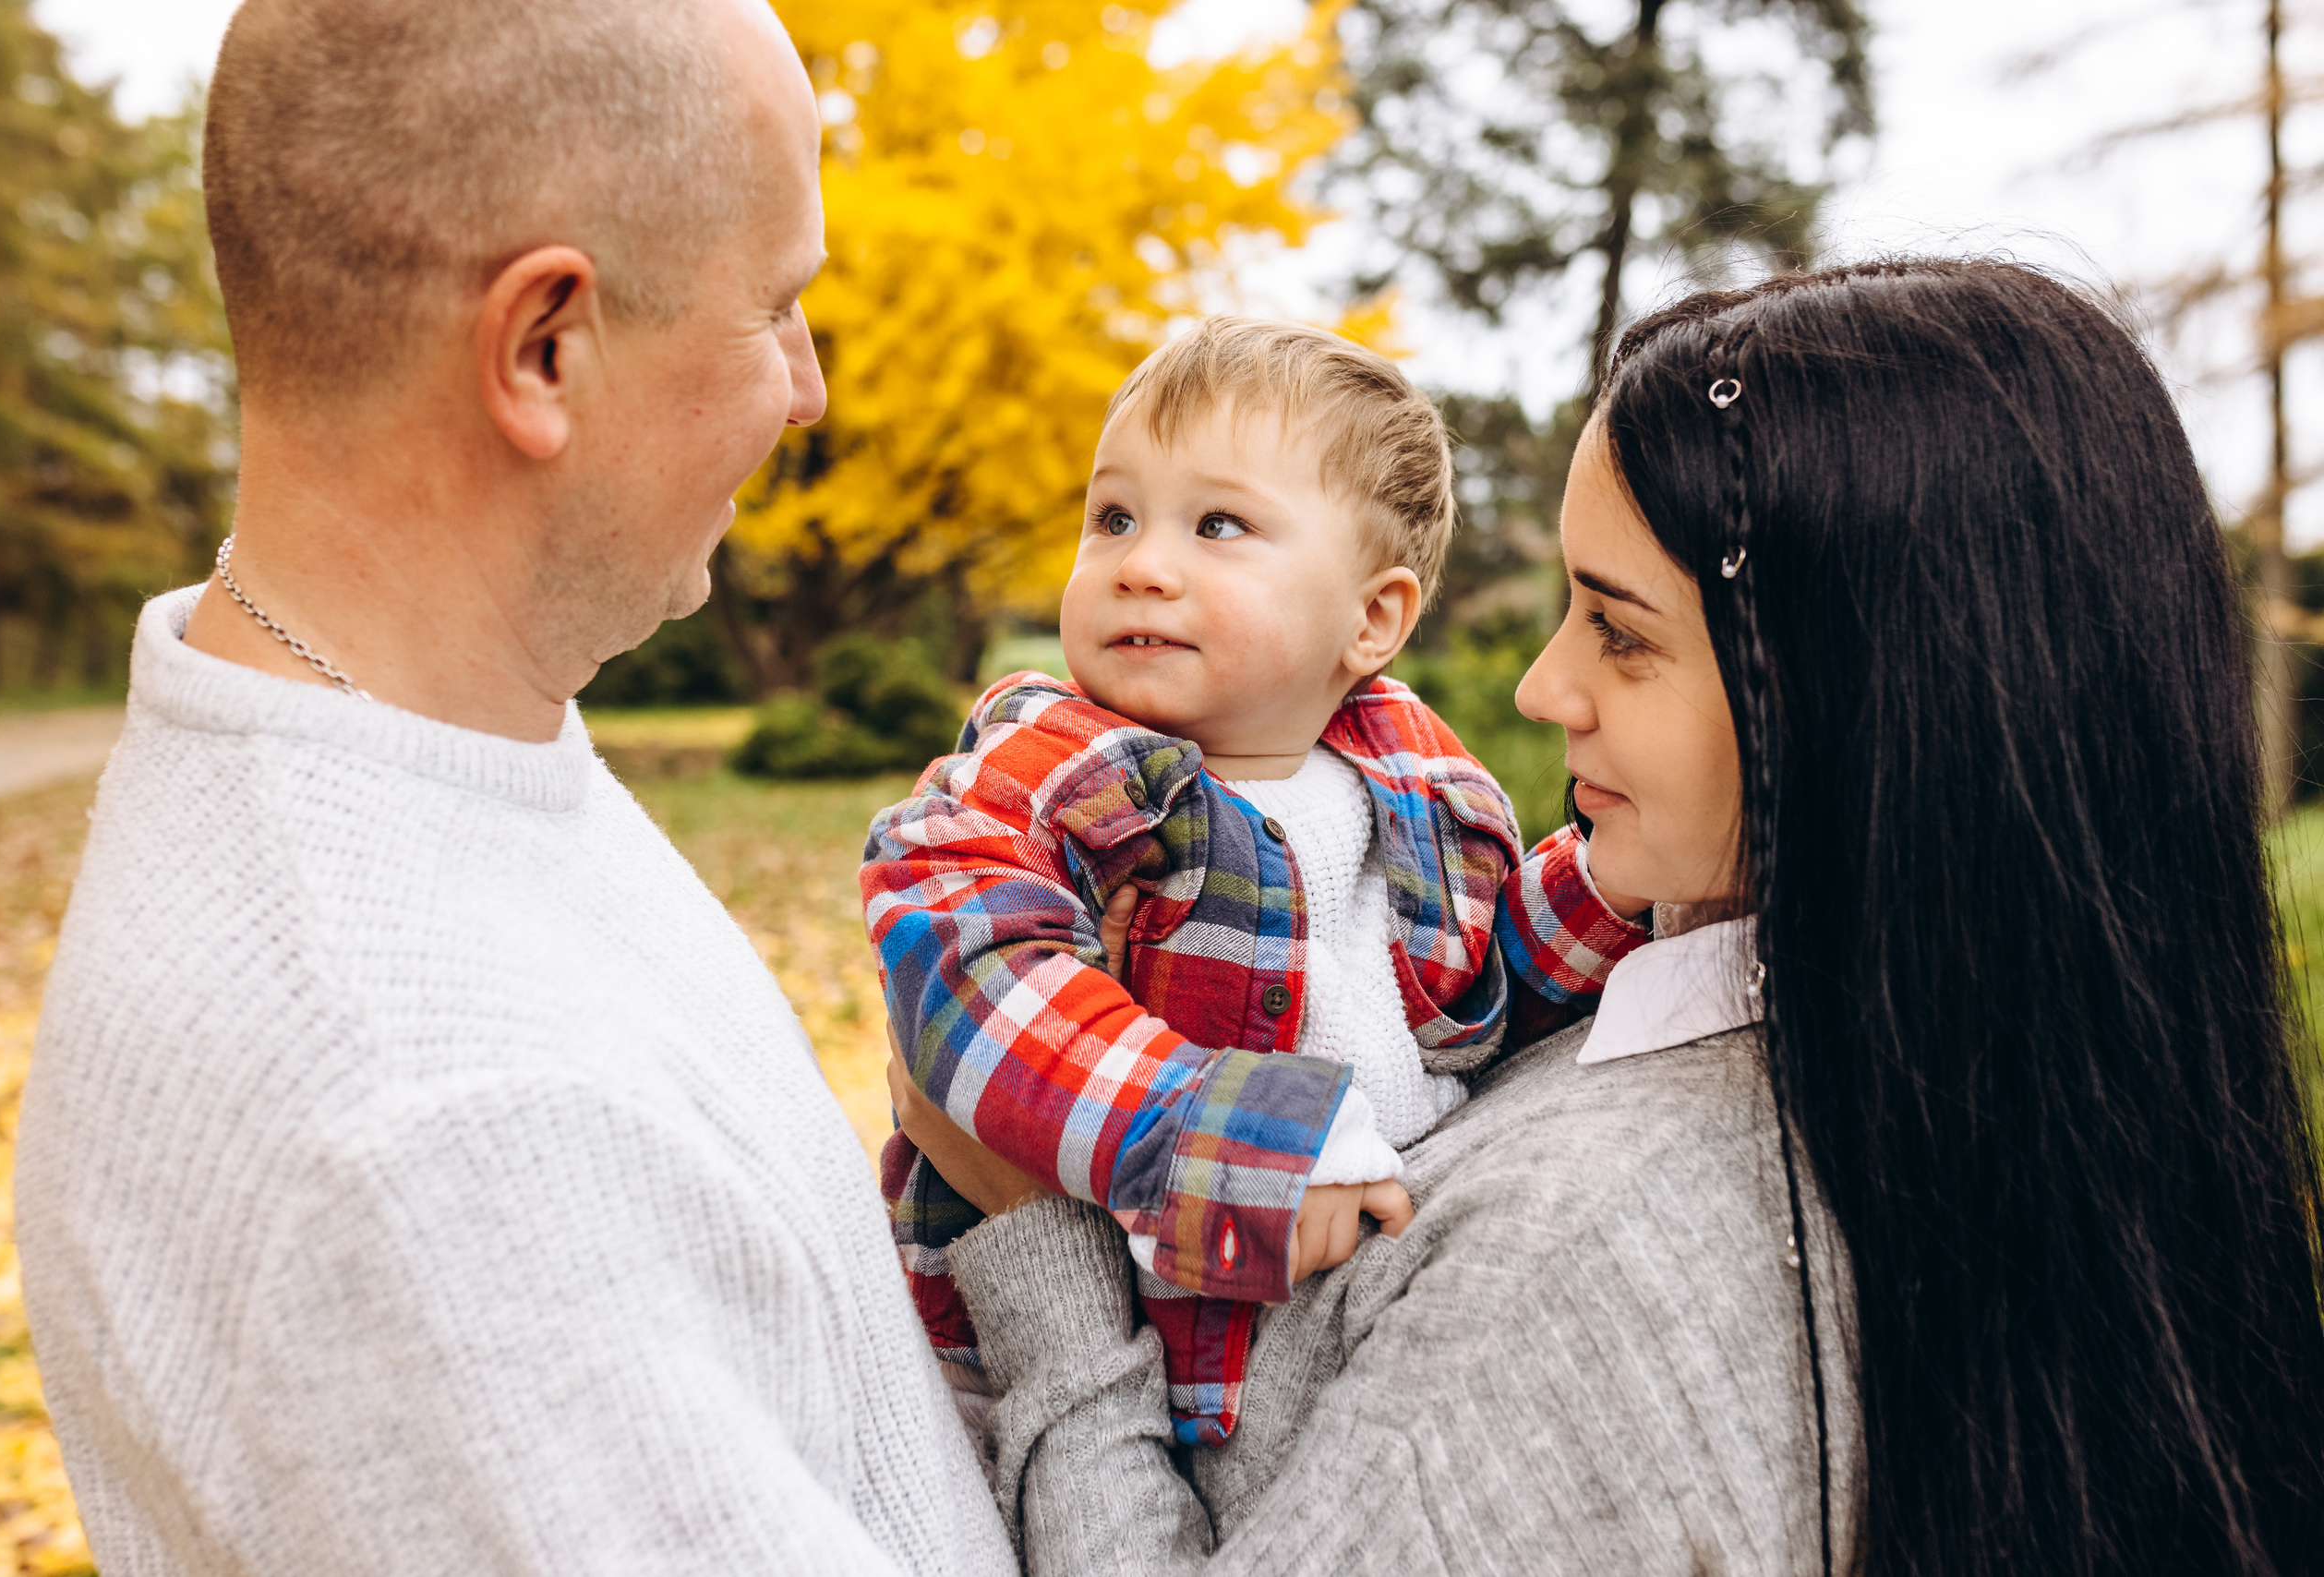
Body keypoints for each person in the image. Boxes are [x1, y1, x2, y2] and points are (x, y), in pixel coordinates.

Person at [892, 259, 2324, 1574]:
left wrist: (1032, 1243)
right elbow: (1486, 969)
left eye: (1619, 630)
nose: (1535, 687)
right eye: (1117, 516)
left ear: (1862, 699)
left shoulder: (1574, 1268)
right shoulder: (1974, 1104)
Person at [14, 2, 1013, 1572]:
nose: (807, 387)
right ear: (545, 347)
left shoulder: (426, 746)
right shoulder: (446, 1129)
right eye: (777, 307)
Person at [861, 318, 1648, 1449]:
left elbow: (1474, 995)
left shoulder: (1421, 782)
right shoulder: (1062, 762)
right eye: (1113, 516)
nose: (1140, 561)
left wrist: (1608, 888)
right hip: (1054, 1365)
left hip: (1325, 1358)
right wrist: (1214, 1139)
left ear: (1371, 619)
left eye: (1217, 524)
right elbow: (961, 955)